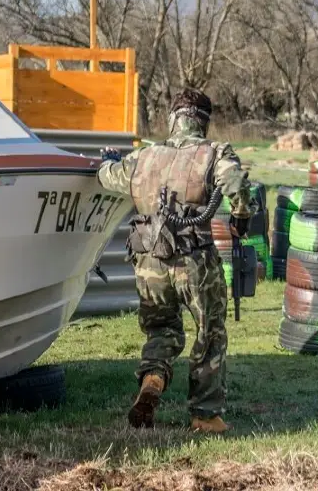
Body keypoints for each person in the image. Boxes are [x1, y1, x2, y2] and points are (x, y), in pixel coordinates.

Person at [95, 87, 251, 432]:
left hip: (149, 259)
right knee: (209, 333)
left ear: (173, 120)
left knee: (161, 328)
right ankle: (205, 415)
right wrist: (241, 216)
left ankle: (153, 379)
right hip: (194, 260)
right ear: (203, 123)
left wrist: (108, 161)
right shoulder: (214, 152)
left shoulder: (145, 157)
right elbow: (235, 183)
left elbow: (107, 177)